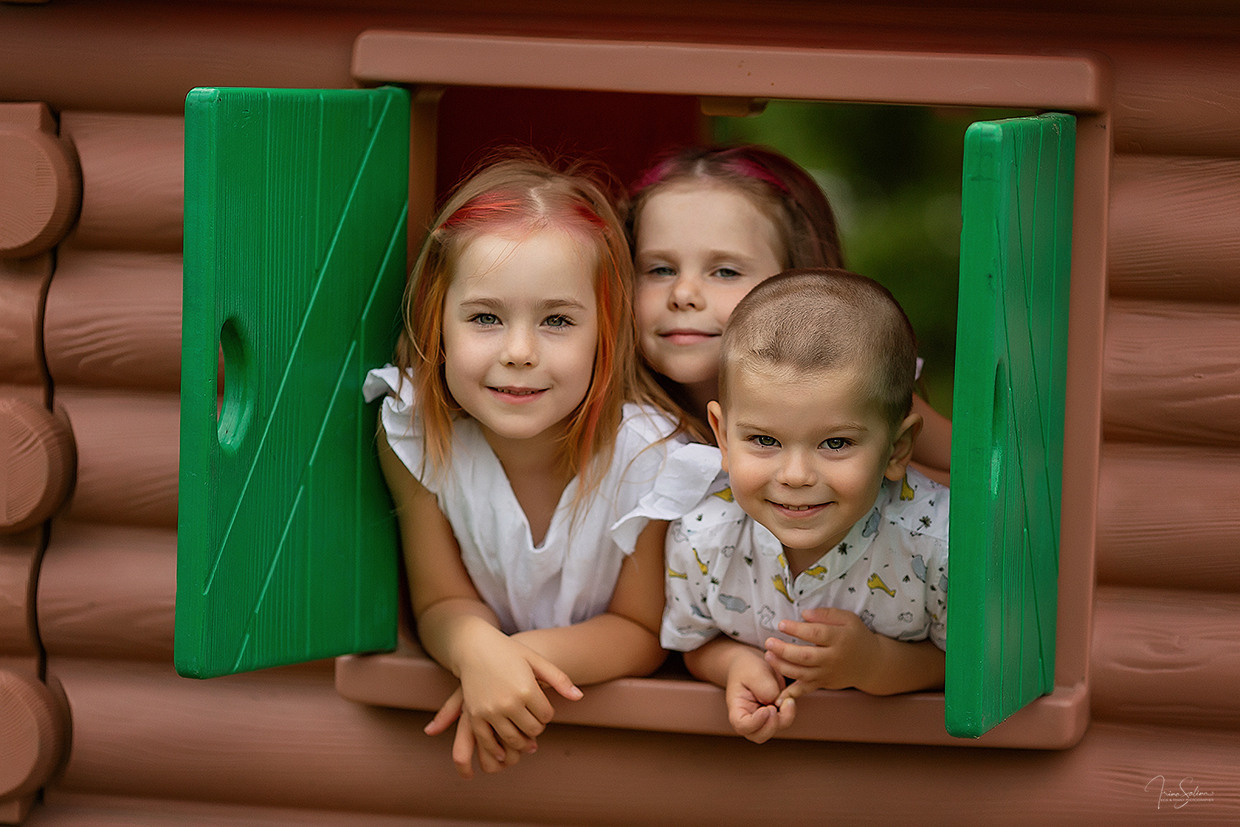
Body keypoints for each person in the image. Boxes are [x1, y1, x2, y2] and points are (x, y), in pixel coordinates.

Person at [363, 152, 684, 778]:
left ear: (606, 332)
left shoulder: (648, 457)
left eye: (558, 320)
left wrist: (507, 663)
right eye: (485, 317)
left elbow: (639, 629)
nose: (518, 352)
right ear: (439, 323)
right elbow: (440, 602)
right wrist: (475, 649)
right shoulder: (416, 435)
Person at [638, 268, 949, 743]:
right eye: (764, 440)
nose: (796, 475)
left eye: (836, 443)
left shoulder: (939, 546)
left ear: (898, 447)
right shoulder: (700, 535)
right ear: (722, 435)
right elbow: (694, 643)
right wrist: (735, 665)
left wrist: (874, 664)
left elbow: (965, 663)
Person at [626, 144, 952, 482]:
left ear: (796, 281)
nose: (683, 294)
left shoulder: (858, 381)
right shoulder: (628, 431)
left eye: (725, 272)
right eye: (661, 270)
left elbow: (975, 473)